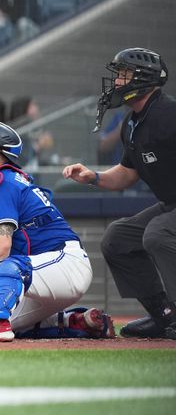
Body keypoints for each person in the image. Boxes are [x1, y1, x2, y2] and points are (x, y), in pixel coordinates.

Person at [0, 120, 114, 341]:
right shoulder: (10, 177)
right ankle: (78, 322)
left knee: (5, 269)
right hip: (45, 270)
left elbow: (1, 245)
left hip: (64, 262)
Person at [63, 48, 175, 339]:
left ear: (143, 79)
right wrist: (93, 177)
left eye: (124, 75)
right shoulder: (132, 123)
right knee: (118, 238)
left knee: (158, 234)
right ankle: (164, 315)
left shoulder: (169, 114)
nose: (116, 82)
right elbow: (128, 173)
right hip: (171, 204)